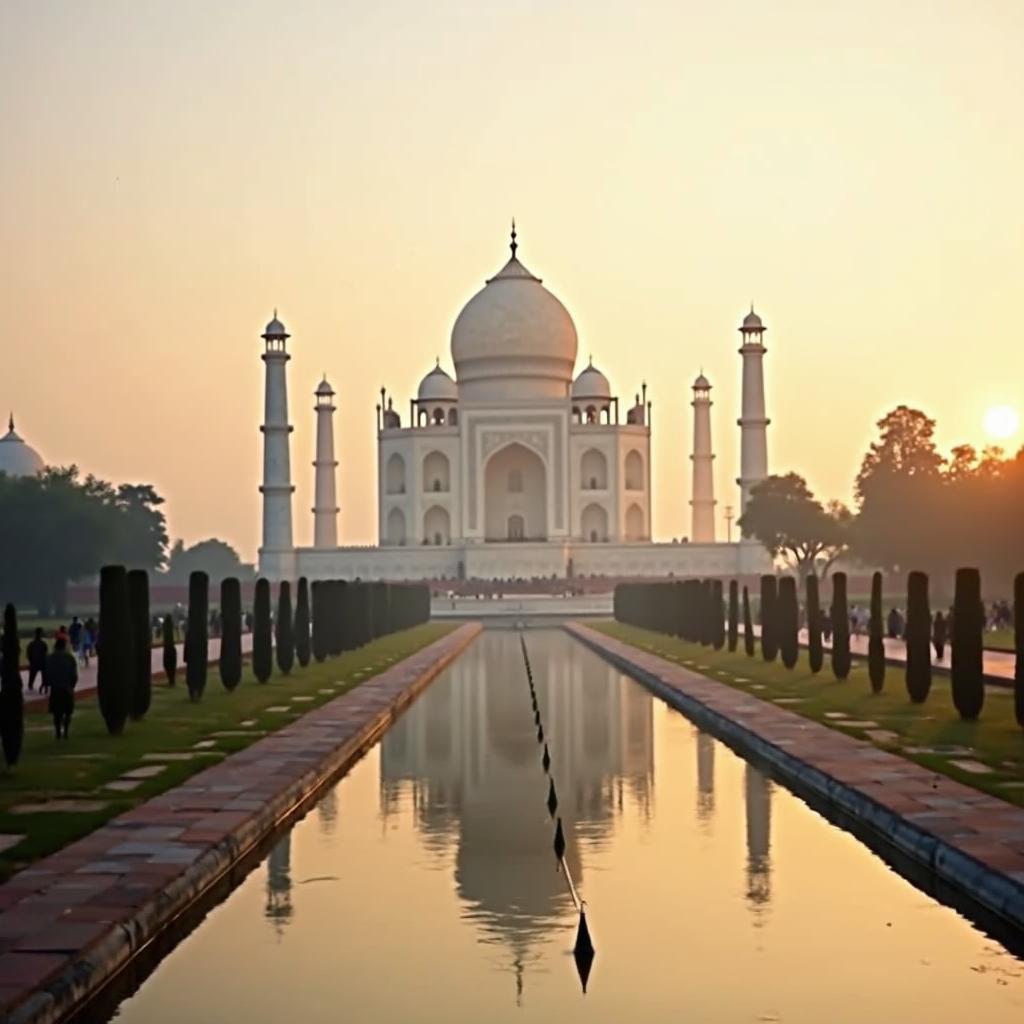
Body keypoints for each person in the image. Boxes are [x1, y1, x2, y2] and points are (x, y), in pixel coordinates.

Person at [45, 636, 78, 740]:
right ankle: (66, 732)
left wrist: (48, 683)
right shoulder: (70, 658)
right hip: (67, 687)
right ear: (64, 646)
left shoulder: (50, 658)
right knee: (68, 712)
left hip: (55, 688)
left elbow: (46, 673)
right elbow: (74, 675)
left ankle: (58, 732)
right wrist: (72, 686)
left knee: (56, 712)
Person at [26, 628, 47, 692]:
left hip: (34, 662)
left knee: (32, 675)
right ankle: (44, 685)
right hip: (41, 662)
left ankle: (30, 685)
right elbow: (45, 652)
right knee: (44, 674)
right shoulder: (43, 644)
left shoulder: (31, 644)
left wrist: (30, 660)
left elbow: (28, 653)